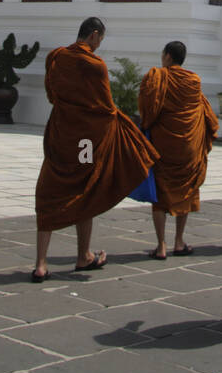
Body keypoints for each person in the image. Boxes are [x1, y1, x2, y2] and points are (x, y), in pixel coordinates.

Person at [32, 17, 159, 282]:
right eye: (100, 39)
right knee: (84, 188)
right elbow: (104, 107)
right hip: (85, 141)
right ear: (93, 35)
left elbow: (51, 94)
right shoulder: (94, 65)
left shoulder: (56, 57)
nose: (99, 45)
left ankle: (41, 264)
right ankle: (83, 256)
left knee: (49, 191)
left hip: (60, 133)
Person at [138, 41, 219, 258]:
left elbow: (148, 109)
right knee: (187, 191)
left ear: (166, 56)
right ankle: (179, 241)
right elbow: (205, 112)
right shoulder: (194, 80)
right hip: (189, 148)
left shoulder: (158, 76)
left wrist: (145, 125)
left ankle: (161, 245)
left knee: (160, 196)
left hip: (164, 145)